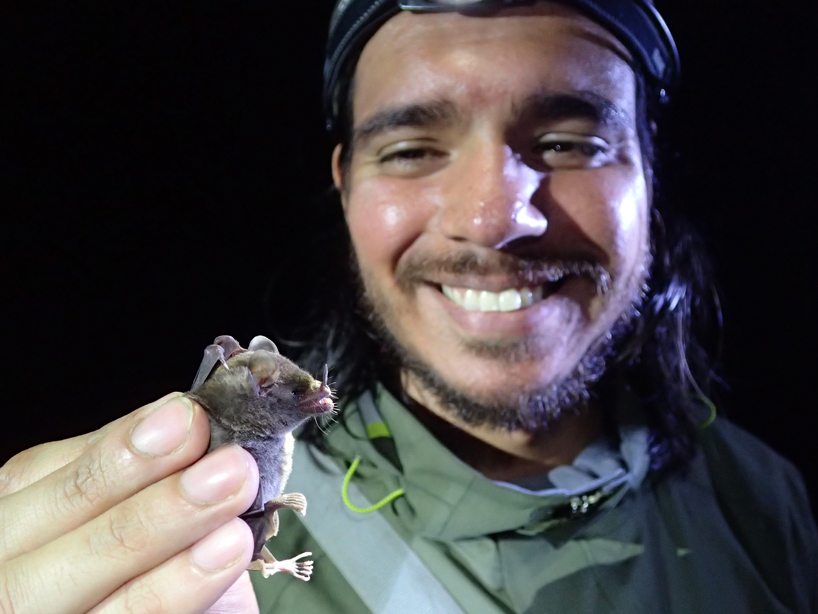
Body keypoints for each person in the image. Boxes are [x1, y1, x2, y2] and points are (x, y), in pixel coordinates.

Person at [0, 1, 815, 613]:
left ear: (651, 184)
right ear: (345, 187)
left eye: (570, 143)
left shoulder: (765, 506)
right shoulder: (199, 526)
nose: (493, 218)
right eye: (413, 149)